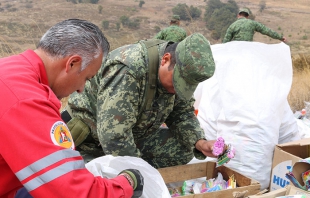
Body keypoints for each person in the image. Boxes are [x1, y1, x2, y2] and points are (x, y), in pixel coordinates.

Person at [0, 19, 143, 198]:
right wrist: (126, 183)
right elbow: (75, 193)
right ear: (73, 63)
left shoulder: (11, 69)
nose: (81, 89)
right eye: (86, 78)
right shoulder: (26, 101)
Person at [65, 33, 218, 169]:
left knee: (184, 149)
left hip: (132, 136)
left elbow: (181, 113)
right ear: (165, 59)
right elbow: (114, 137)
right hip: (89, 142)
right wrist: (139, 175)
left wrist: (200, 142)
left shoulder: (176, 73)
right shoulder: (129, 68)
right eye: (177, 82)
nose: (177, 90)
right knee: (93, 183)